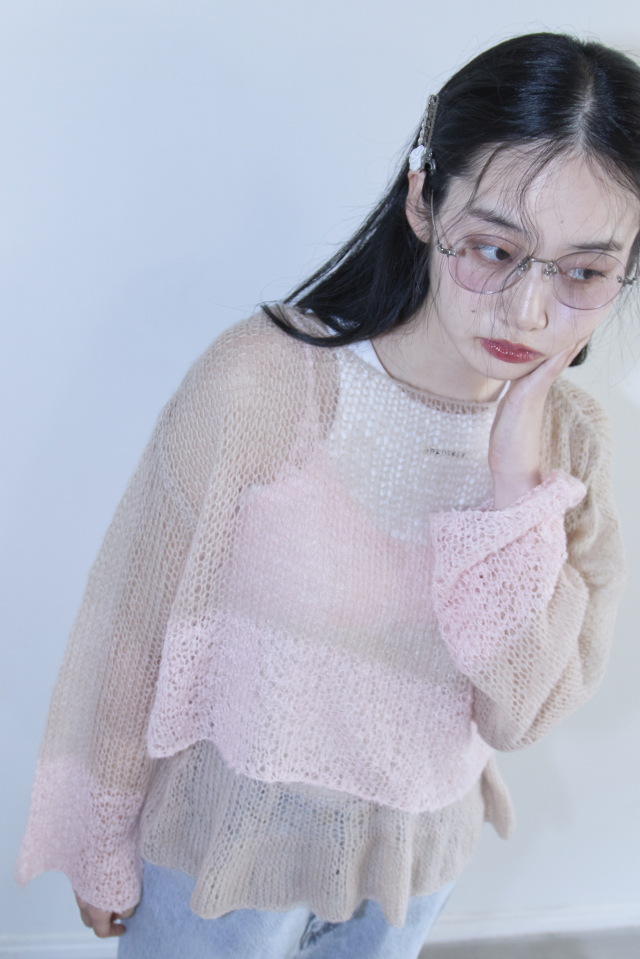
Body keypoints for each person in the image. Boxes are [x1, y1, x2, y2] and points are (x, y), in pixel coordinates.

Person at [15, 31, 638, 959]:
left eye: (584, 271)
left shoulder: (570, 448)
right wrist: (98, 842)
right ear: (423, 199)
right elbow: (130, 622)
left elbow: (518, 710)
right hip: (223, 861)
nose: (529, 311)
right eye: (493, 247)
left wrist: (515, 489)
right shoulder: (266, 383)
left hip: (410, 871)